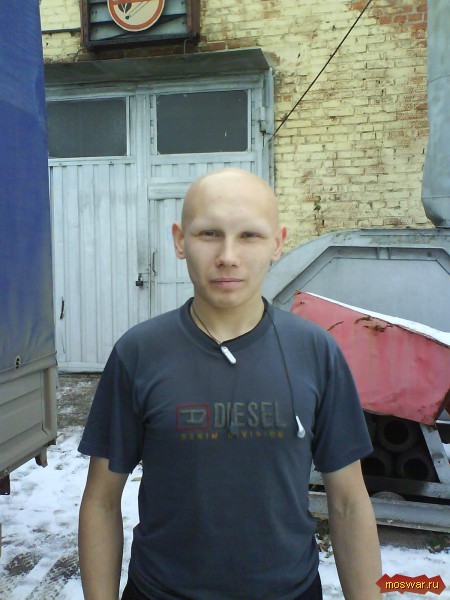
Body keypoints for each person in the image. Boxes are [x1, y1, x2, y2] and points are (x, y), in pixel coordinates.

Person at [78, 168, 382, 600]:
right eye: (209, 234)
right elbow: (101, 501)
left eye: (249, 236)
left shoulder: (315, 352)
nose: (228, 256)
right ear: (180, 241)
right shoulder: (139, 353)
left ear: (277, 243)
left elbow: (349, 503)